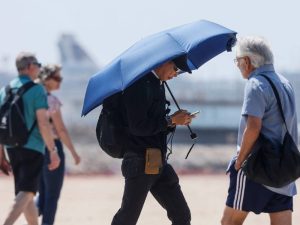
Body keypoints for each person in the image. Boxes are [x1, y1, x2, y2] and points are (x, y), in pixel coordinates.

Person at [221, 36, 298, 225]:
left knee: (229, 222)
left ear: (246, 61)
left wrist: (239, 162)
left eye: (237, 61)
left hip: (256, 166)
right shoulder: (286, 84)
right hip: (284, 170)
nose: (238, 66)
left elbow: (253, 127)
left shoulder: (255, 84)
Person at [111, 55, 195, 225]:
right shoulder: (138, 85)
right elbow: (138, 127)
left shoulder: (157, 84)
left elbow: (156, 126)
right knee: (127, 218)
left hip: (158, 161)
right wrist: (171, 120)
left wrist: (177, 121)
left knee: (182, 215)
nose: (175, 75)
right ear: (165, 62)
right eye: (175, 69)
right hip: (139, 161)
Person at [0, 52, 60, 225]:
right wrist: (52, 150)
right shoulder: (36, 89)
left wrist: (1, 154)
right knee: (27, 191)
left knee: (25, 192)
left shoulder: (5, 90)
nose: (40, 68)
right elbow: (43, 122)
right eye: (38, 64)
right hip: (32, 147)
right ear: (30, 67)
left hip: (11, 146)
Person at [36, 64, 81, 225]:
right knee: (51, 196)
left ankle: (28, 213)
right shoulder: (51, 101)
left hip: (34, 149)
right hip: (52, 148)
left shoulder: (30, 97)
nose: (60, 82)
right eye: (57, 78)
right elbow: (61, 130)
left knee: (41, 194)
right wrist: (74, 153)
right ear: (46, 79)